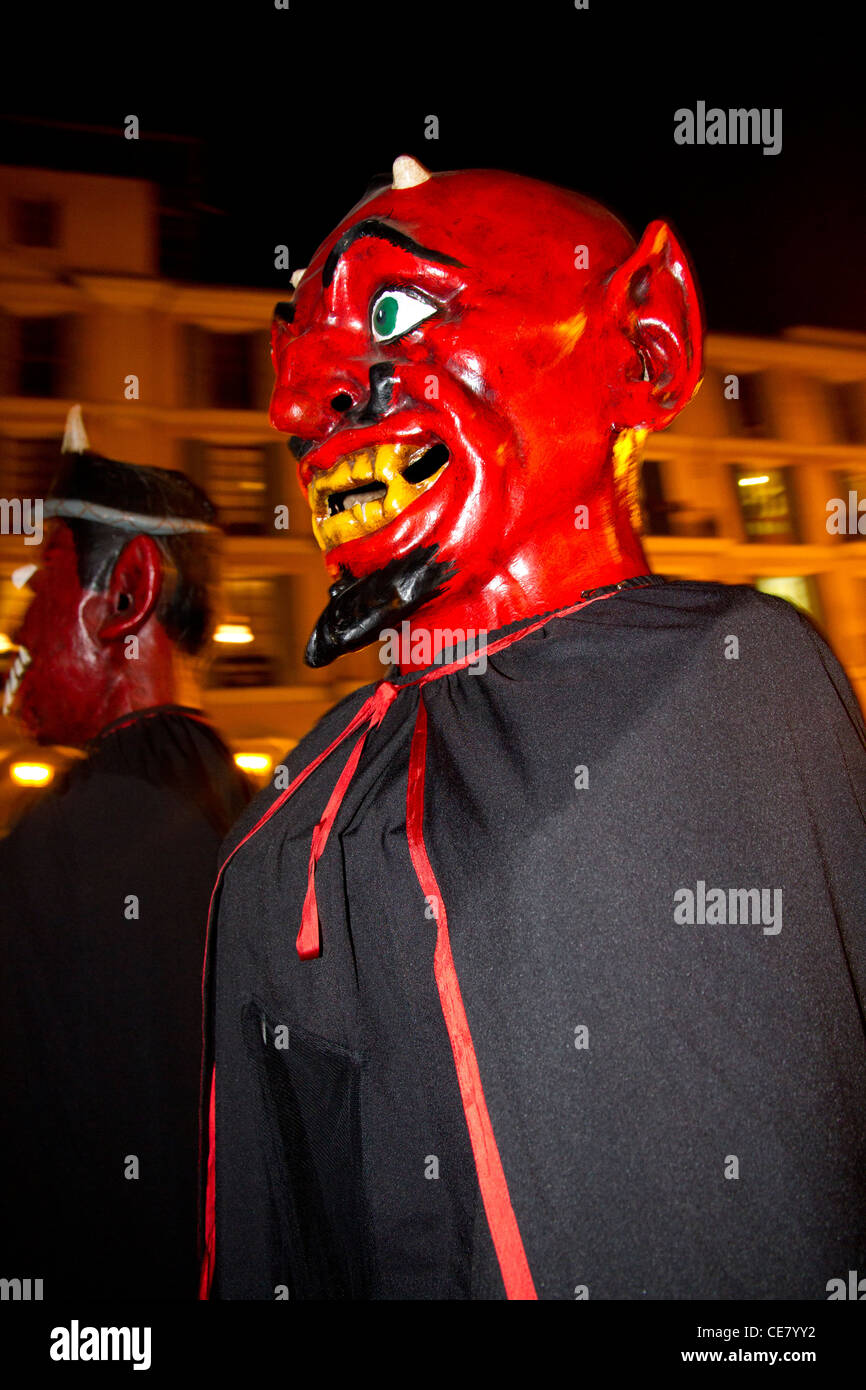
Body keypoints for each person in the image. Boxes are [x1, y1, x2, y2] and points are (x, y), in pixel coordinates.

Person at [203, 157, 866, 1300]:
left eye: (395, 311)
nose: (300, 403)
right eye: (291, 353)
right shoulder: (303, 796)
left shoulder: (728, 684)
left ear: (647, 341)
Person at [0, 410, 249, 1300]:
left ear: (128, 593)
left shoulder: (59, 849)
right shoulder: (269, 822)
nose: (18, 632)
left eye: (40, 581)